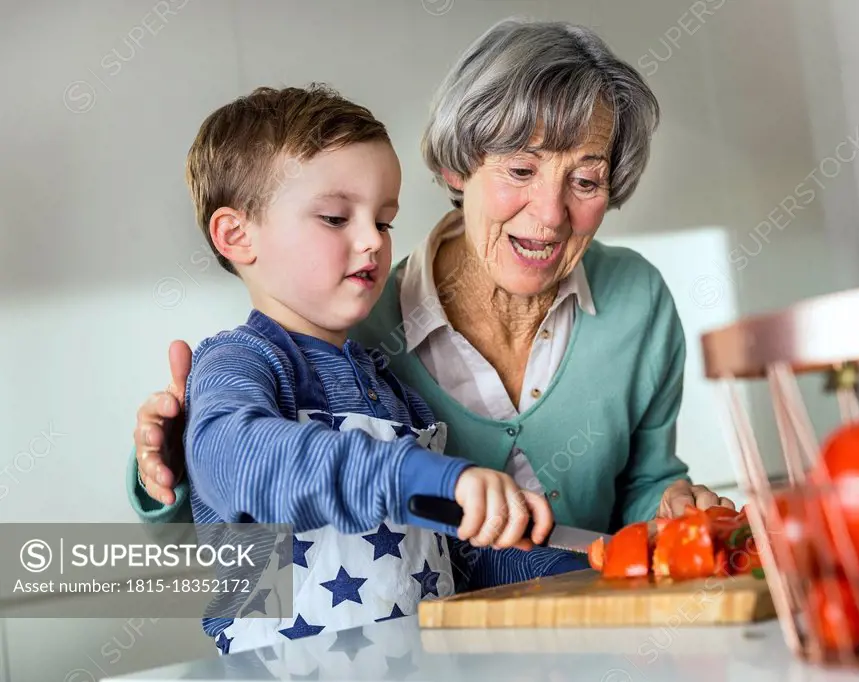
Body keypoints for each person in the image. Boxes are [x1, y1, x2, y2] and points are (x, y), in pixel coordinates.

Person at [130, 18, 733, 550]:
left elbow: (468, 549)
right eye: (521, 169)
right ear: (456, 166)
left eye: (586, 180)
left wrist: (669, 510)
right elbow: (233, 508)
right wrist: (167, 467)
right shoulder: (352, 329)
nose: (550, 214)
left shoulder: (638, 300)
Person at [173, 84, 584, 655]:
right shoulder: (239, 363)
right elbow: (240, 463)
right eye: (336, 217)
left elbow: (461, 548)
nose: (372, 241)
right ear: (237, 236)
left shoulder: (391, 392)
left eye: (384, 222)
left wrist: (587, 568)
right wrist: (427, 477)